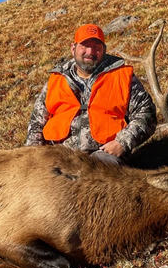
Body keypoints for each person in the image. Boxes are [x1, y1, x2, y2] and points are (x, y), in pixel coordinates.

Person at [25, 23, 157, 165]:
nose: (90, 51)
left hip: (103, 157)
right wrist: (33, 157)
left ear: (104, 50)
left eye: (96, 47)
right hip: (59, 158)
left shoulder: (122, 76)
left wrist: (123, 142)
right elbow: (36, 124)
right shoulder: (56, 80)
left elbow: (146, 114)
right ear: (73, 48)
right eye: (84, 45)